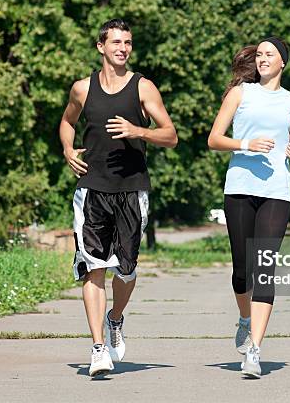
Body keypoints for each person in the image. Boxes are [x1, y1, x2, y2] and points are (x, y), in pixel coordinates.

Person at [59, 18, 177, 377]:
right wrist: (67, 148)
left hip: (131, 189)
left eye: (127, 42)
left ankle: (115, 318)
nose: (123, 48)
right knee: (94, 269)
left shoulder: (143, 88)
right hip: (92, 189)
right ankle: (98, 349)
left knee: (125, 270)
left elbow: (170, 135)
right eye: (116, 42)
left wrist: (138, 130)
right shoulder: (82, 89)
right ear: (101, 47)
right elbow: (67, 121)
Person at [207, 37, 290, 378]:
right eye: (259, 54)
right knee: (241, 270)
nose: (262, 59)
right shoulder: (240, 94)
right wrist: (247, 144)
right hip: (240, 189)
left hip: (277, 191)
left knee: (264, 267)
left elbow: (288, 137)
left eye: (269, 54)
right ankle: (245, 319)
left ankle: (254, 351)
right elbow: (214, 139)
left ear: (283, 63)